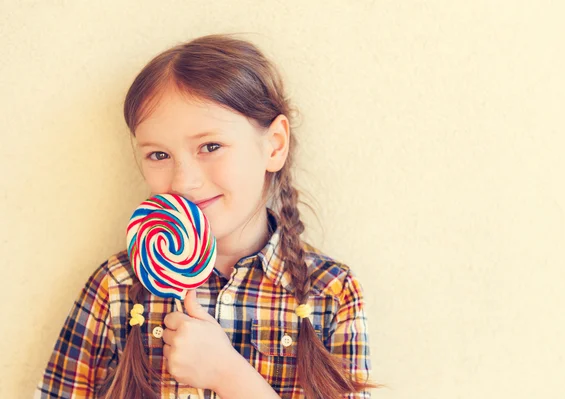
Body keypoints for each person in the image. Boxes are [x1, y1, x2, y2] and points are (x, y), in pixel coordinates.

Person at [35, 33, 378, 399]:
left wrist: (228, 376)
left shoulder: (330, 293)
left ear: (274, 145)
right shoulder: (116, 288)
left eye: (210, 146)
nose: (184, 181)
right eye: (158, 155)